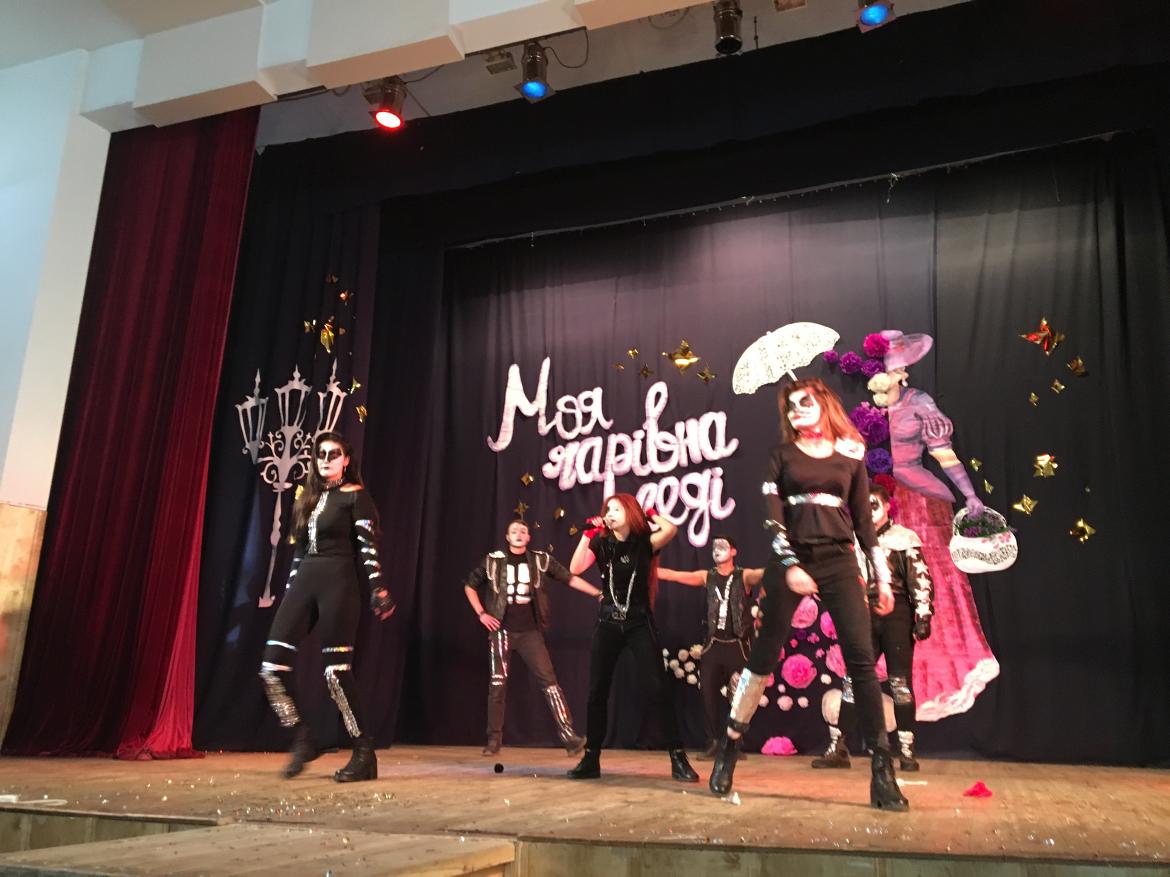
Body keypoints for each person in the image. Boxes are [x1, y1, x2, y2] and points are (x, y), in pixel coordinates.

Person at [708, 378, 909, 811]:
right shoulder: (781, 456)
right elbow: (773, 517)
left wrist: (881, 577)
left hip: (839, 560)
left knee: (861, 659)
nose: (796, 409)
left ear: (824, 404)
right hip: (791, 559)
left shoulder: (850, 455)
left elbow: (864, 523)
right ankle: (729, 746)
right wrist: (792, 565)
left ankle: (882, 771)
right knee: (763, 657)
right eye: (790, 406)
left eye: (804, 402)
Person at [876, 330, 998, 720]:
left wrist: (970, 495)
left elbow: (945, 455)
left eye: (893, 368)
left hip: (921, 500)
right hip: (882, 503)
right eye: (882, 367)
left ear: (903, 372)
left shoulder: (919, 403)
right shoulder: (869, 411)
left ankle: (940, 670)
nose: (887, 374)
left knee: (933, 580)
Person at [259, 431, 394, 783]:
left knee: (336, 672)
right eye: (321, 454)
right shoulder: (308, 497)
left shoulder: (355, 496)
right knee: (271, 667)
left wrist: (378, 588)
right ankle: (303, 738)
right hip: (305, 582)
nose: (326, 460)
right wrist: (290, 591)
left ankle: (364, 753)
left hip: (339, 584)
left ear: (346, 460)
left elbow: (367, 548)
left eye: (334, 454)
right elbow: (299, 551)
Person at [566, 494, 699, 783]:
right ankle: (591, 758)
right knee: (597, 691)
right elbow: (574, 568)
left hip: (638, 623)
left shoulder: (644, 543)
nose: (611, 513)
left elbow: (671, 529)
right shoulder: (601, 543)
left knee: (657, 689)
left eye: (617, 508)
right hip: (607, 622)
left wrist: (650, 513)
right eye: (608, 509)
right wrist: (588, 533)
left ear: (630, 512)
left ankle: (678, 758)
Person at [812, 483, 933, 771]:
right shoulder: (852, 540)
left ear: (887, 506)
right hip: (863, 612)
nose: (869, 510)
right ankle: (839, 747)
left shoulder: (903, 538)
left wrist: (923, 614)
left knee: (900, 682)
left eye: (875, 504)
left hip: (896, 612)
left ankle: (906, 750)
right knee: (853, 679)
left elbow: (919, 576)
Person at [463, 519, 601, 756]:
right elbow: (470, 585)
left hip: (530, 633)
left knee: (550, 684)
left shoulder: (540, 560)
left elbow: (569, 578)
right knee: (497, 685)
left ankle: (570, 738)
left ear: (528, 538)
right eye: (514, 531)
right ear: (507, 537)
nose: (518, 534)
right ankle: (494, 740)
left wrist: (597, 593)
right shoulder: (493, 560)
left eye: (523, 531)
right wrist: (482, 614)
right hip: (501, 631)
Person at [657, 536, 763, 758]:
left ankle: (734, 744)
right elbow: (674, 575)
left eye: (722, 546)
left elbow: (762, 574)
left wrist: (783, 568)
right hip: (713, 645)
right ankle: (713, 742)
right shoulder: (708, 576)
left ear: (733, 552)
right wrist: (646, 569)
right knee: (708, 694)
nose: (717, 550)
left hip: (737, 645)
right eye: (714, 547)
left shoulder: (743, 576)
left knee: (739, 696)